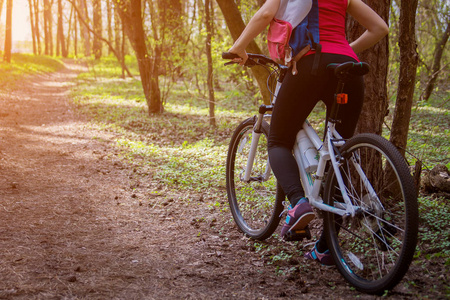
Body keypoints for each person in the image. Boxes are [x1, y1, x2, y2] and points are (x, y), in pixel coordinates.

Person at [228, 0, 389, 265]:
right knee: (340, 153)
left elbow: (267, 13)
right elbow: (380, 28)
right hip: (349, 67)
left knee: (278, 140)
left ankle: (298, 204)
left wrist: (239, 46)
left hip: (310, 63)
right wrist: (346, 51)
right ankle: (326, 248)